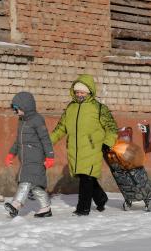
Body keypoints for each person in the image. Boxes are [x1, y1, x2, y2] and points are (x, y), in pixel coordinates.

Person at [50, 74, 118, 216]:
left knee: (87, 178)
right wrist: (48, 141)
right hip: (75, 149)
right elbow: (61, 128)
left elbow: (112, 128)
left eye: (82, 92)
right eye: (77, 92)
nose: (79, 94)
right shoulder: (71, 108)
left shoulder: (99, 108)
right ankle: (101, 198)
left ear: (89, 92)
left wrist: (107, 143)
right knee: (86, 176)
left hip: (93, 148)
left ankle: (83, 208)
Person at [4, 91, 55, 218]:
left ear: (25, 106)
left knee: (25, 182)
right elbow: (18, 141)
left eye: (17, 109)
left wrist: (50, 156)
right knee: (36, 187)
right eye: (14, 109)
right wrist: (11, 154)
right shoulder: (22, 121)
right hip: (26, 160)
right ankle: (46, 208)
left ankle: (16, 205)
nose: (15, 112)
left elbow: (45, 139)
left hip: (36, 159)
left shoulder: (37, 119)